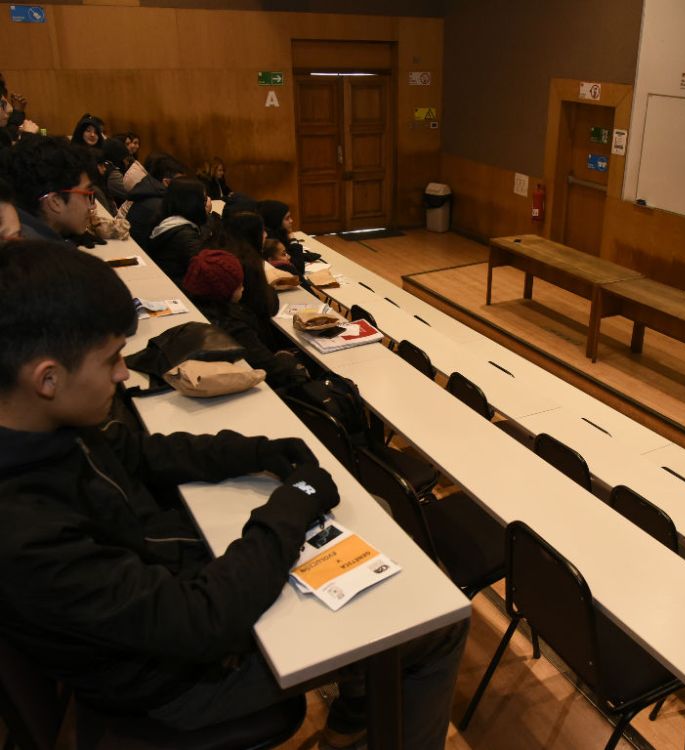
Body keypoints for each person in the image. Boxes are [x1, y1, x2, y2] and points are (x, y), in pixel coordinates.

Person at [0, 241, 468, 749]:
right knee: (432, 626)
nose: (121, 373)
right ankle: (368, 700)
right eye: (111, 359)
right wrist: (289, 508)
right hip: (176, 686)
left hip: (169, 596)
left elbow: (140, 452)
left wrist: (260, 451)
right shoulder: (25, 530)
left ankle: (359, 708)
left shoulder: (45, 426)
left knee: (365, 524)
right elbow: (201, 621)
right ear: (47, 377)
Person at [183, 249, 308, 390]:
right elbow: (272, 370)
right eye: (238, 284)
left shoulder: (194, 308)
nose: (243, 287)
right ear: (224, 289)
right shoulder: (232, 326)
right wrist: (285, 358)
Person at [0, 135, 94, 245]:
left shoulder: (22, 227)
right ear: (55, 202)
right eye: (86, 195)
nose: (92, 206)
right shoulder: (45, 256)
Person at [147, 176, 211, 284]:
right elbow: (204, 269)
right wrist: (207, 218)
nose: (207, 203)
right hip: (180, 288)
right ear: (192, 203)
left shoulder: (166, 221)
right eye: (203, 200)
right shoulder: (185, 236)